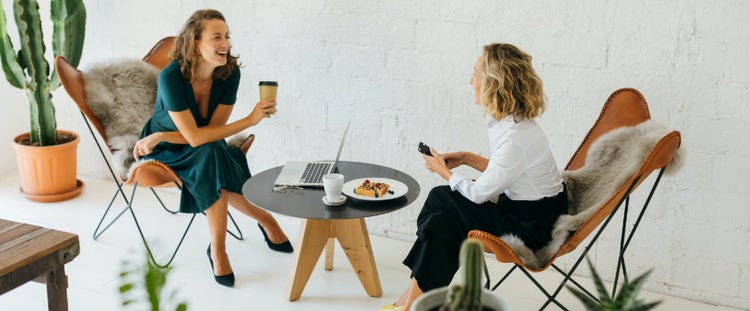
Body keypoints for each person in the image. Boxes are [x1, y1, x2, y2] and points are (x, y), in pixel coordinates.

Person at [383, 43, 569, 311]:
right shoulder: (515, 124)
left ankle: (411, 299)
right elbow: (509, 173)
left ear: (493, 83)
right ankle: (412, 302)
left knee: (439, 200)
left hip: (531, 229)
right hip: (530, 212)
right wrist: (468, 158)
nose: (470, 79)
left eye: (475, 73)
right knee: (442, 224)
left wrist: (444, 171)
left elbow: (480, 193)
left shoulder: (516, 137)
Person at [134, 9, 292, 288]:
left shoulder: (229, 75)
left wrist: (166, 135)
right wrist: (250, 120)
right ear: (195, 42)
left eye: (227, 36)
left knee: (212, 152)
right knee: (213, 154)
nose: (226, 43)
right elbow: (195, 137)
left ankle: (218, 248)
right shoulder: (171, 77)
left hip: (197, 144)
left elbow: (210, 133)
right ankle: (258, 223)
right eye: (217, 37)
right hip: (166, 149)